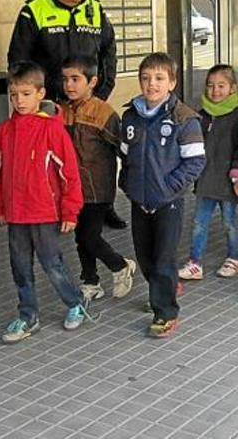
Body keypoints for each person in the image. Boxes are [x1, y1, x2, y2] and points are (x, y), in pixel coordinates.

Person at [7, 0, 126, 230]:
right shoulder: (34, 10)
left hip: (91, 99)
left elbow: (109, 48)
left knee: (97, 155)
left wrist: (104, 88)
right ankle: (62, 209)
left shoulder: (94, 9)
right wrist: (38, 100)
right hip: (53, 103)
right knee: (61, 157)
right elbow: (19, 60)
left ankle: (102, 206)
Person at [0, 61, 94, 344]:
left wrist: (70, 210)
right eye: (13, 95)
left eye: (25, 94)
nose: (19, 101)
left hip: (44, 213)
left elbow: (69, 173)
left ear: (40, 93)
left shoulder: (52, 130)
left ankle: (75, 303)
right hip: (15, 216)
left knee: (52, 264)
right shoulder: (3, 132)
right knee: (20, 268)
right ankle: (28, 315)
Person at [118, 53, 206, 338]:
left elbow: (195, 161)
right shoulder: (131, 115)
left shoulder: (184, 119)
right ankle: (161, 288)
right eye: (145, 78)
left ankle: (165, 311)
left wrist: (170, 186)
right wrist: (127, 182)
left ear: (172, 83)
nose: (151, 84)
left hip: (168, 202)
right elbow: (124, 153)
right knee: (145, 256)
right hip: (139, 200)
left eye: (159, 78)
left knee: (164, 258)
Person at [59, 54, 136, 301]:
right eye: (65, 79)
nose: (69, 85)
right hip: (72, 189)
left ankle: (120, 266)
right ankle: (90, 282)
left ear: (92, 82)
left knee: (88, 237)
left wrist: (128, 178)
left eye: (75, 79)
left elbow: (123, 148)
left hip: (98, 190)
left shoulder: (104, 113)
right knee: (81, 239)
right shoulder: (62, 111)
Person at [178, 65, 238, 281]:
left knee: (229, 221)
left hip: (229, 178)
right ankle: (195, 262)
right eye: (210, 86)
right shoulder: (202, 113)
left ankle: (235, 258)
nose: (215, 91)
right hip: (206, 178)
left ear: (232, 88)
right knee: (199, 221)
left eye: (221, 86)